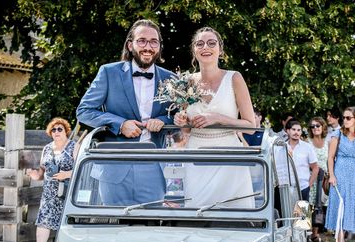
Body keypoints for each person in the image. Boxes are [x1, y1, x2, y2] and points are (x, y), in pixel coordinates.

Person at [76, 19, 175, 205]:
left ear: (159, 47)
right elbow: (84, 111)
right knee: (115, 229)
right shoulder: (108, 72)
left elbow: (177, 118)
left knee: (151, 227)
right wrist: (120, 124)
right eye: (142, 41)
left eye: (154, 41)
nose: (148, 47)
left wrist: (163, 120)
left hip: (153, 167)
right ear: (130, 45)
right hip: (115, 166)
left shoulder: (171, 79)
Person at [173, 26, 256, 208]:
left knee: (234, 215)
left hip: (229, 155)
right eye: (200, 43)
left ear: (220, 49)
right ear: (194, 51)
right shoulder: (186, 82)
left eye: (212, 43)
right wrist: (182, 122)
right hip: (196, 156)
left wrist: (218, 118)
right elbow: (186, 130)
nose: (206, 47)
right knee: (197, 212)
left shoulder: (234, 78)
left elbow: (251, 126)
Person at [24, 118, 76, 242]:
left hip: (68, 192)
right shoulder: (47, 148)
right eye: (54, 130)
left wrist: (65, 174)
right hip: (49, 193)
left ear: (66, 131)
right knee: (43, 222)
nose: (57, 132)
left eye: (60, 129)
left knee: (67, 223)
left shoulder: (73, 146)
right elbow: (41, 173)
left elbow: (80, 169)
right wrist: (33, 174)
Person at [325, 107, 355, 242]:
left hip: (354, 177)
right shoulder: (338, 135)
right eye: (344, 117)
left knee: (349, 207)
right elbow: (330, 157)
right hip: (340, 173)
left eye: (348, 118)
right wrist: (332, 175)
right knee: (340, 206)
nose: (345, 120)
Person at [307, 116, 330, 242]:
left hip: (323, 179)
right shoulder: (307, 142)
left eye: (317, 126)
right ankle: (305, 232)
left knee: (319, 205)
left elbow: (330, 160)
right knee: (307, 204)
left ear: (323, 127)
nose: (315, 128)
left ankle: (315, 233)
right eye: (312, 126)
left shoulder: (328, 143)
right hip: (310, 176)